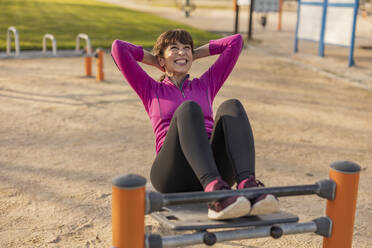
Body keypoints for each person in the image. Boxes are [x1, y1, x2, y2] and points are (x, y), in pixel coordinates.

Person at [111, 29, 279, 220]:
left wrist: (191, 56)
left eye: (186, 48)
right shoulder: (151, 90)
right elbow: (119, 48)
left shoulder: (205, 85)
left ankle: (248, 187)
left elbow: (235, 42)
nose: (181, 52)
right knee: (188, 109)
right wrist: (155, 60)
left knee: (232, 106)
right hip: (172, 175)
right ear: (161, 60)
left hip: (213, 167)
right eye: (174, 48)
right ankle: (215, 196)